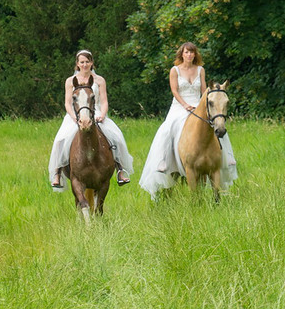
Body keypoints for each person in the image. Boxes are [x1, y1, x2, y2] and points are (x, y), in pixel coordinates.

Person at [138, 42, 237, 199]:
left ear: (195, 54)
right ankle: (163, 162)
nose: (189, 55)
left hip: (198, 105)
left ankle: (227, 158)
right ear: (181, 54)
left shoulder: (200, 70)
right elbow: (174, 90)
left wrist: (208, 103)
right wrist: (185, 105)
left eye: (192, 52)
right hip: (180, 106)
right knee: (167, 129)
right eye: (186, 52)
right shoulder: (175, 70)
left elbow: (204, 91)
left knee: (216, 125)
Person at [48, 49, 134, 191]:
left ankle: (120, 169)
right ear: (77, 64)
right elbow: (67, 103)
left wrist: (103, 115)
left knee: (116, 137)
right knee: (60, 139)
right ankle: (57, 172)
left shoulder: (99, 80)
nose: (85, 64)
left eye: (87, 61)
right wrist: (74, 117)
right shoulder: (70, 81)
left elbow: (104, 101)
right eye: (82, 62)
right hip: (75, 115)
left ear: (92, 62)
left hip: (96, 112)